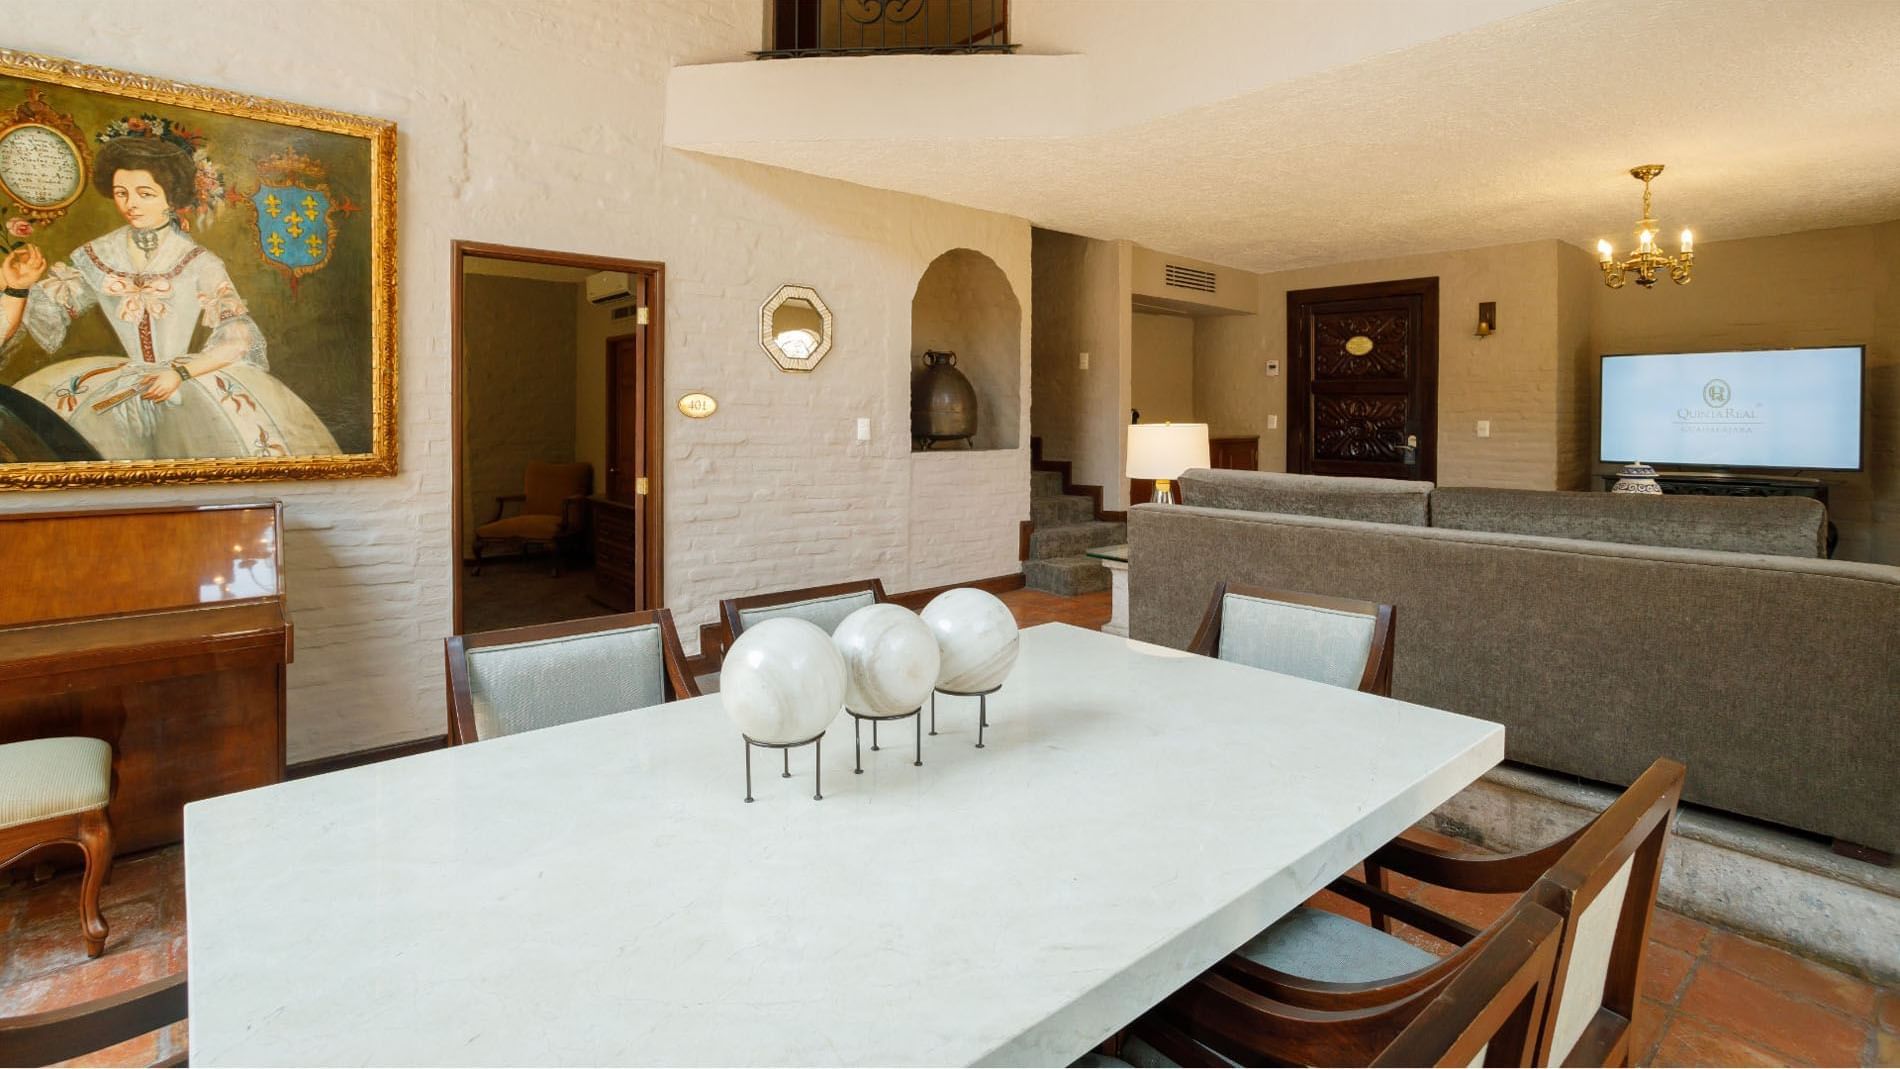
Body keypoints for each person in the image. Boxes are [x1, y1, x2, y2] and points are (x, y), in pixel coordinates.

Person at [0, 119, 338, 460]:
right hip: (120, 386)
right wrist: (17, 288)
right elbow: (44, 313)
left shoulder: (198, 261)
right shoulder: (98, 255)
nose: (130, 204)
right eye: (121, 193)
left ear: (171, 197)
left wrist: (179, 372)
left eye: (145, 194)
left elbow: (238, 338)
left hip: (189, 386)